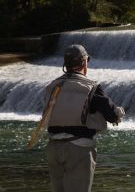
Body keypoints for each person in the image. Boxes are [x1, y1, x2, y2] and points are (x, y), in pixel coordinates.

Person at [44, 44, 125, 192]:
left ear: (65, 64)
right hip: (79, 149)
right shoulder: (92, 87)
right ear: (85, 62)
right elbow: (112, 116)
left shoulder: (52, 86)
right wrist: (120, 112)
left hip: (53, 148)